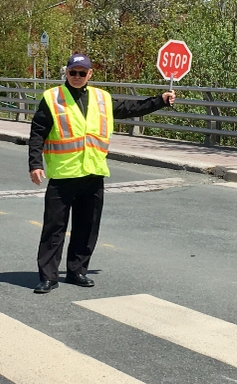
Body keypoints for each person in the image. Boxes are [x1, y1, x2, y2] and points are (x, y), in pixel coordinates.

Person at [29, 53, 176, 294]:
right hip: (63, 174)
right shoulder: (52, 97)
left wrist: (159, 100)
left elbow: (131, 108)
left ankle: (77, 271)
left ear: (90, 74)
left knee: (87, 227)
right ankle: (48, 277)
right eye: (73, 72)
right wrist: (35, 164)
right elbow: (38, 133)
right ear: (66, 73)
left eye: (82, 73)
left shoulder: (101, 98)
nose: (77, 77)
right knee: (54, 228)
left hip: (93, 172)